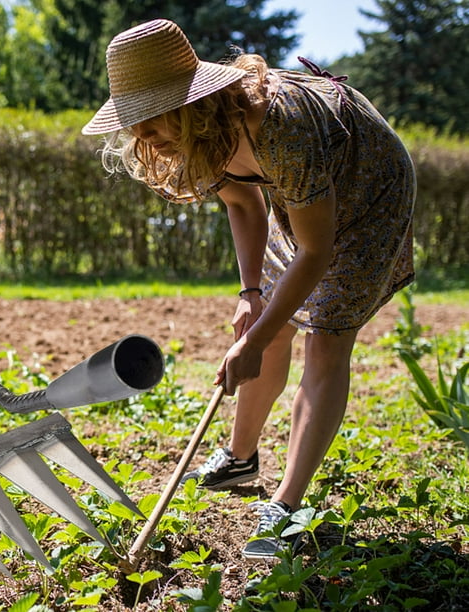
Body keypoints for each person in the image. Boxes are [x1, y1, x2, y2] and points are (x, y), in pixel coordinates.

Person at [82, 19, 415, 559]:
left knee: (325, 338)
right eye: (133, 122)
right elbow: (242, 201)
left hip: (370, 191)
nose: (141, 137)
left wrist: (253, 341)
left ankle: (286, 504)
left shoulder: (279, 127)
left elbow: (316, 252)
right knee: (272, 322)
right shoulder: (203, 136)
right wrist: (251, 292)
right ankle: (241, 458)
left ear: (191, 103)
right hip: (308, 199)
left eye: (150, 119)